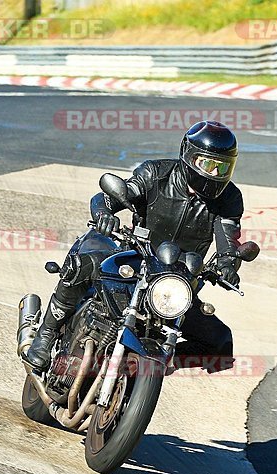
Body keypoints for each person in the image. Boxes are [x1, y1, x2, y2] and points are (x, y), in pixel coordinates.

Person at [23, 120, 244, 373]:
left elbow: (228, 239)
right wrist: (104, 213)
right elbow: (110, 196)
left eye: (222, 167)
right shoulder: (156, 174)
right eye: (208, 164)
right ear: (189, 156)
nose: (214, 174)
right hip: (135, 261)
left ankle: (157, 365)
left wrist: (228, 265)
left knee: (221, 344)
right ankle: (46, 334)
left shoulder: (230, 199)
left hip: (174, 282)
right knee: (85, 263)